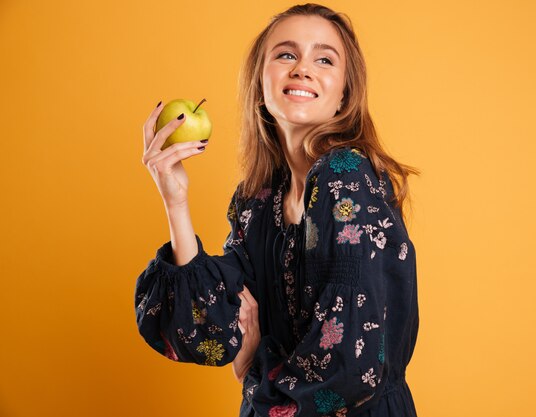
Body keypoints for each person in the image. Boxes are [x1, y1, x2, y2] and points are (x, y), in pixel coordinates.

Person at [135, 3, 421, 416]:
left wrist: (253, 373)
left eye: (324, 59)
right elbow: (209, 330)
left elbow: (349, 368)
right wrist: (175, 201)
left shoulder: (347, 176)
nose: (302, 68)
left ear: (344, 92)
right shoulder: (256, 201)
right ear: (260, 81)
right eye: (286, 54)